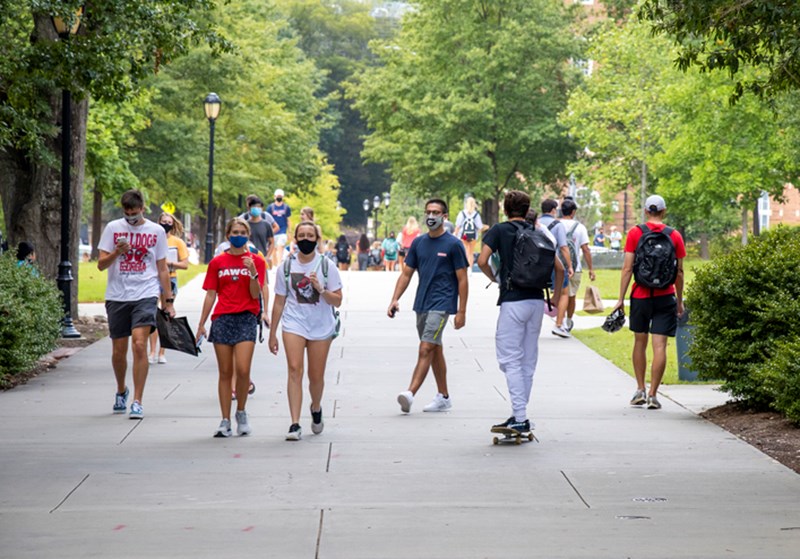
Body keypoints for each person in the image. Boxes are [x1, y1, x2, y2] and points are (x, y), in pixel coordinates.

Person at [477, 191, 564, 433]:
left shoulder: (499, 230)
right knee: (527, 359)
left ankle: (520, 416)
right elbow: (559, 268)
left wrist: (497, 279)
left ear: (506, 209)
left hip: (513, 300)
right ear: (527, 210)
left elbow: (482, 260)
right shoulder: (537, 232)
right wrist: (555, 298)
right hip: (536, 301)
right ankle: (519, 413)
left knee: (509, 359)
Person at [97, 189, 175, 420]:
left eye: (134, 212)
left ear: (142, 208)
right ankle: (122, 389)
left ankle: (138, 401)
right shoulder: (112, 228)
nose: (130, 216)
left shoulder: (156, 231)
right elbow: (101, 265)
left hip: (145, 292)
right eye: (126, 212)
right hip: (118, 295)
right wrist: (117, 252)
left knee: (139, 344)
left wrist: (167, 301)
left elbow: (162, 268)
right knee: (118, 351)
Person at [387, 199, 469, 413]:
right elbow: (406, 273)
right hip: (422, 303)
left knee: (425, 348)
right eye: (428, 212)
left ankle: (410, 393)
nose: (431, 216)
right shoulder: (419, 243)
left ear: (445, 216)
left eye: (436, 212)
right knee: (434, 348)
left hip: (442, 303)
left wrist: (461, 311)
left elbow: (462, 279)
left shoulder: (453, 244)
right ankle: (444, 396)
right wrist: (395, 298)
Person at [269, 221, 343, 440]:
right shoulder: (286, 266)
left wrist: (320, 289)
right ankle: (294, 423)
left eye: (310, 236)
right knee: (294, 369)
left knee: (315, 376)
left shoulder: (327, 266)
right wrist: (272, 332)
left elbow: (337, 301)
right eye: (302, 235)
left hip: (320, 325)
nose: (306, 240)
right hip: (294, 323)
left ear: (317, 239)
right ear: (295, 239)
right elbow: (279, 301)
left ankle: (316, 407)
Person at [612, 195, 685, 410]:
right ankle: (654, 394)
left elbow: (627, 268)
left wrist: (620, 299)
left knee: (639, 342)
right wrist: (679, 301)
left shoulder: (635, 233)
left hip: (641, 296)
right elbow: (679, 272)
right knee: (660, 345)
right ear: (664, 211)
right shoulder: (675, 235)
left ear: (646, 211)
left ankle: (640, 389)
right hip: (665, 296)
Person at [196, 218, 266, 437]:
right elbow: (210, 294)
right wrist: (201, 323)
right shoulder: (217, 262)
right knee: (225, 372)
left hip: (246, 317)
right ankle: (225, 419)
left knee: (243, 370)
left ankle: (242, 412)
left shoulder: (256, 261)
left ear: (248, 235)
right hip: (223, 318)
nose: (239, 235)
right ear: (227, 236)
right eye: (235, 231)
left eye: (243, 232)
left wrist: (253, 272)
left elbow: (256, 293)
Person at [148, 212, 190, 365]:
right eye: (163, 221)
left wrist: (169, 264)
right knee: (152, 314)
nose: (165, 224)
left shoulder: (177, 242)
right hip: (153, 277)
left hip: (170, 278)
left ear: (173, 224)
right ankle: (152, 351)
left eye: (168, 222)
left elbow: (185, 264)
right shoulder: (153, 239)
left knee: (165, 315)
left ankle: (162, 352)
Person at [556, 199, 595, 334]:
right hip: (575, 267)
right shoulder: (580, 227)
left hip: (557, 266)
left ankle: (559, 319)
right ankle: (568, 320)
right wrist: (591, 269)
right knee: (571, 296)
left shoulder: (556, 225)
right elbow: (585, 249)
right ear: (573, 212)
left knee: (560, 294)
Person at [539, 199, 573, 338]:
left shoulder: (536, 223)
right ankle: (558, 324)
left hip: (536, 264)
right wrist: (569, 265)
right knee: (564, 292)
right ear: (553, 210)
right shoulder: (557, 225)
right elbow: (563, 247)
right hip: (553, 263)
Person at [454, 196, 483, 269]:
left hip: (464, 235)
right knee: (471, 252)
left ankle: (465, 267)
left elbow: (458, 225)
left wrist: (456, 233)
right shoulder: (476, 215)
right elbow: (480, 227)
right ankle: (470, 268)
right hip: (473, 235)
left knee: (465, 250)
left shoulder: (462, 213)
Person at [244, 196, 275, 264]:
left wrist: (267, 256)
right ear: (249, 208)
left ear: (262, 208)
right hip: (248, 259)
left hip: (262, 259)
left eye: (258, 207)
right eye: (254, 206)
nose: (256, 208)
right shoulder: (245, 225)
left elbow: (272, 242)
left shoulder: (266, 225)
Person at [266, 188, 292, 266]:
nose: (279, 197)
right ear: (274, 197)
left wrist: (289, 231)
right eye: (278, 196)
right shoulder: (270, 208)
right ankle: (275, 265)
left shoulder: (286, 208)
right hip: (273, 231)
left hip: (283, 230)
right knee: (273, 249)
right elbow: (267, 220)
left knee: (280, 247)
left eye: (280, 196)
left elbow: (288, 219)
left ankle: (279, 265)